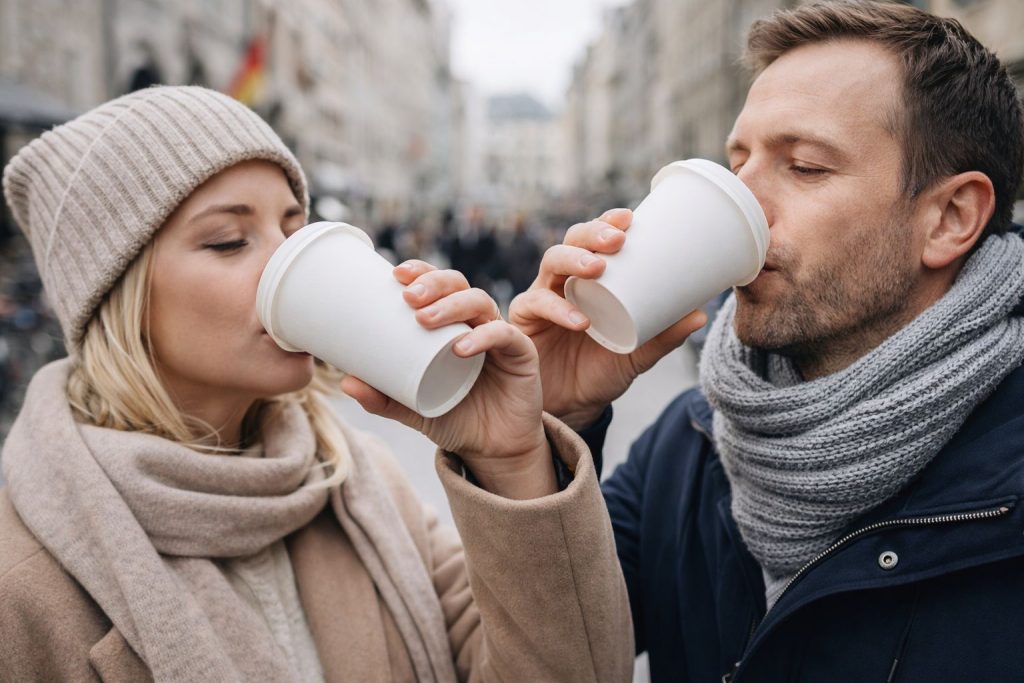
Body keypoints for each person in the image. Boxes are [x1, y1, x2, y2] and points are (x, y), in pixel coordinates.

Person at [0, 86, 632, 682]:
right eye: (228, 241)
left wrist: (511, 460)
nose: (284, 260)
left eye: (294, 228)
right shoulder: (23, 586)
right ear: (119, 296)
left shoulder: (357, 480)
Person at [510, 1, 1024, 680]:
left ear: (950, 218)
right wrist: (542, 432)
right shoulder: (690, 442)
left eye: (805, 166)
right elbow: (553, 662)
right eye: (737, 160)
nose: (743, 202)